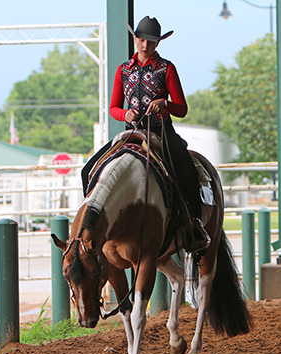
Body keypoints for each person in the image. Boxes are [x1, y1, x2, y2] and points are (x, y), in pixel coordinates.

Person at [81, 16, 209, 253]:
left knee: (186, 170)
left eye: (150, 41)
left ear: (158, 43)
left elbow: (182, 108)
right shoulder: (123, 70)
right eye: (141, 39)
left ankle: (194, 225)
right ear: (135, 38)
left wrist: (165, 104)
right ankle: (89, 230)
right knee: (87, 169)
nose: (145, 45)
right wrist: (124, 115)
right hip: (132, 131)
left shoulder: (167, 68)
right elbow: (113, 108)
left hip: (161, 131)